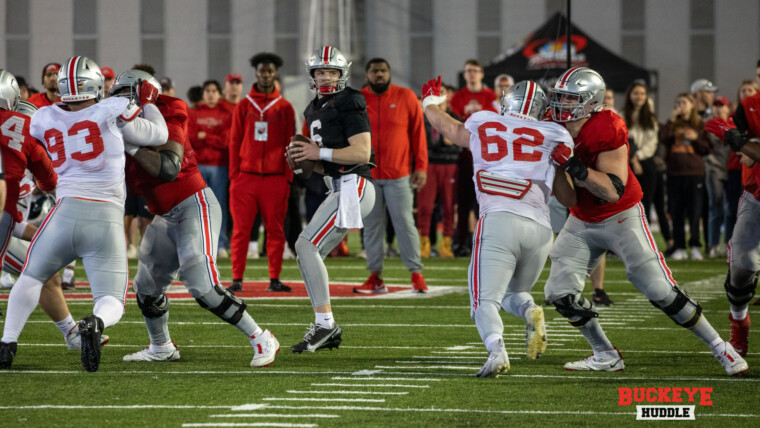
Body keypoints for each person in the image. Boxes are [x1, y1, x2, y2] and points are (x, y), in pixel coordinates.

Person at [545, 67, 746, 376]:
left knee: (658, 287)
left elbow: (613, 190)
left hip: (620, 215)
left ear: (591, 101)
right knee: (559, 292)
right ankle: (605, 353)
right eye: (560, 98)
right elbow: (569, 200)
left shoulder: (607, 125)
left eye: (570, 99)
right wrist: (559, 168)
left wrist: (575, 167)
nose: (561, 106)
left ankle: (722, 347)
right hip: (582, 218)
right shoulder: (554, 128)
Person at [0, 56, 169, 372]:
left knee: (31, 277)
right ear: (94, 84)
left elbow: (22, 132)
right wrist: (147, 103)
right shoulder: (113, 109)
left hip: (63, 213)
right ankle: (95, 322)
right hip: (104, 215)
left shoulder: (44, 116)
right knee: (111, 300)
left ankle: (7, 343)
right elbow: (158, 135)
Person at [423, 77, 572, 377]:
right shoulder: (557, 134)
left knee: (483, 301)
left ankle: (497, 351)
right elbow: (569, 195)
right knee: (512, 295)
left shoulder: (483, 121)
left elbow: (447, 127)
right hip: (541, 229)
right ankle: (530, 310)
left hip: (499, 220)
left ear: (507, 102)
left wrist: (429, 101)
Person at [287, 46, 376, 353]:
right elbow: (321, 161)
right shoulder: (312, 109)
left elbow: (362, 152)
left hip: (355, 184)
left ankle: (326, 325)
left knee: (305, 245)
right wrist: (304, 161)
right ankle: (325, 326)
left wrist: (316, 153)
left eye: (331, 72)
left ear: (342, 75)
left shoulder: (350, 100)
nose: (326, 77)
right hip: (335, 185)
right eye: (320, 72)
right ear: (312, 75)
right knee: (308, 253)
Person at [355, 58, 427, 294]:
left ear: (389, 73)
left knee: (405, 223)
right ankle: (375, 277)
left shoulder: (406, 97)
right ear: (367, 75)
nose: (379, 74)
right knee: (372, 225)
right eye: (374, 71)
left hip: (399, 175)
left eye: (383, 71)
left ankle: (416, 274)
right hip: (368, 175)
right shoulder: (357, 100)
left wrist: (421, 166)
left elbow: (418, 134)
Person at [227, 52, 295, 293]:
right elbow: (234, 141)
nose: (266, 74)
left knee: (276, 230)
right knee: (241, 230)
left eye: (270, 71)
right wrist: (235, 174)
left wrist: (287, 177)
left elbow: (290, 143)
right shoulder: (244, 106)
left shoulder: (285, 107)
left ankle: (274, 279)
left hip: (276, 179)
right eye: (262, 71)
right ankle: (237, 278)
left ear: (275, 74)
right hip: (245, 177)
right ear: (256, 73)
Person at [703, 78, 760, 358]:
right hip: (757, 195)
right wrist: (741, 143)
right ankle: (739, 322)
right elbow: (747, 159)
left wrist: (738, 139)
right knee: (741, 270)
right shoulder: (750, 107)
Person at [449, 59, 497, 257]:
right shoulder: (458, 97)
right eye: (468, 71)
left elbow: (493, 123)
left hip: (484, 156)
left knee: (483, 201)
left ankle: (484, 241)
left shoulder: (490, 96)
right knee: (462, 202)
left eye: (475, 71)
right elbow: (454, 122)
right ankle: (461, 242)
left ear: (482, 74)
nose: (471, 74)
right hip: (464, 155)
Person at [659, 93, 710, 260]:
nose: (681, 106)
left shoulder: (699, 125)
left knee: (695, 212)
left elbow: (707, 149)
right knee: (676, 211)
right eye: (678, 102)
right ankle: (679, 247)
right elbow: (662, 139)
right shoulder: (673, 124)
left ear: (692, 105)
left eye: (684, 102)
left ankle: (695, 246)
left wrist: (695, 139)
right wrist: (672, 121)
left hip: (694, 173)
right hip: (674, 173)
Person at [189, 79, 232, 258]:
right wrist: (213, 137)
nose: (211, 94)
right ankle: (200, 243)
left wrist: (205, 136)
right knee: (198, 207)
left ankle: (220, 243)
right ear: (203, 93)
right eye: (208, 91)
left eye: (214, 91)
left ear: (219, 93)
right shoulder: (193, 114)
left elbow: (226, 141)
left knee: (219, 206)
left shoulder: (227, 114)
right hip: (199, 166)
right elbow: (191, 138)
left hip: (219, 166)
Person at [417, 84, 460, 258]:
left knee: (449, 206)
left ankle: (446, 245)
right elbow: (421, 143)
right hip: (429, 165)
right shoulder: (423, 117)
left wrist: (447, 142)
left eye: (441, 92)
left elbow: (460, 144)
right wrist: (444, 141)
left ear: (447, 96)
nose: (439, 96)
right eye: (435, 93)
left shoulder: (454, 117)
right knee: (425, 207)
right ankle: (424, 245)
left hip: (450, 165)